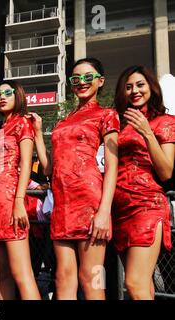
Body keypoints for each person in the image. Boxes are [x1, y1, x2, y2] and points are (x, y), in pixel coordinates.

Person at [31, 58, 119, 300]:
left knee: (92, 279)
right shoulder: (63, 121)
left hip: (90, 201)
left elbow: (112, 166)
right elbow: (48, 169)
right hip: (62, 204)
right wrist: (39, 133)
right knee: (62, 279)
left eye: (88, 77)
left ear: (100, 81)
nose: (81, 82)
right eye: (76, 79)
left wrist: (104, 212)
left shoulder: (107, 115)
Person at [0, 80, 41, 300]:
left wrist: (19, 201)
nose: (2, 97)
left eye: (7, 93)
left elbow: (27, 167)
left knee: (22, 274)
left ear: (18, 95)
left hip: (12, 203)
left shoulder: (23, 122)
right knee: (3, 274)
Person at [112, 65, 175, 299]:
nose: (134, 91)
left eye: (140, 85)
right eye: (128, 87)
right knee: (143, 285)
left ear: (151, 87)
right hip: (119, 210)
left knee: (134, 283)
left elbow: (166, 171)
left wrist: (147, 132)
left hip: (146, 205)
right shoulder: (119, 124)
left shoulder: (165, 121)